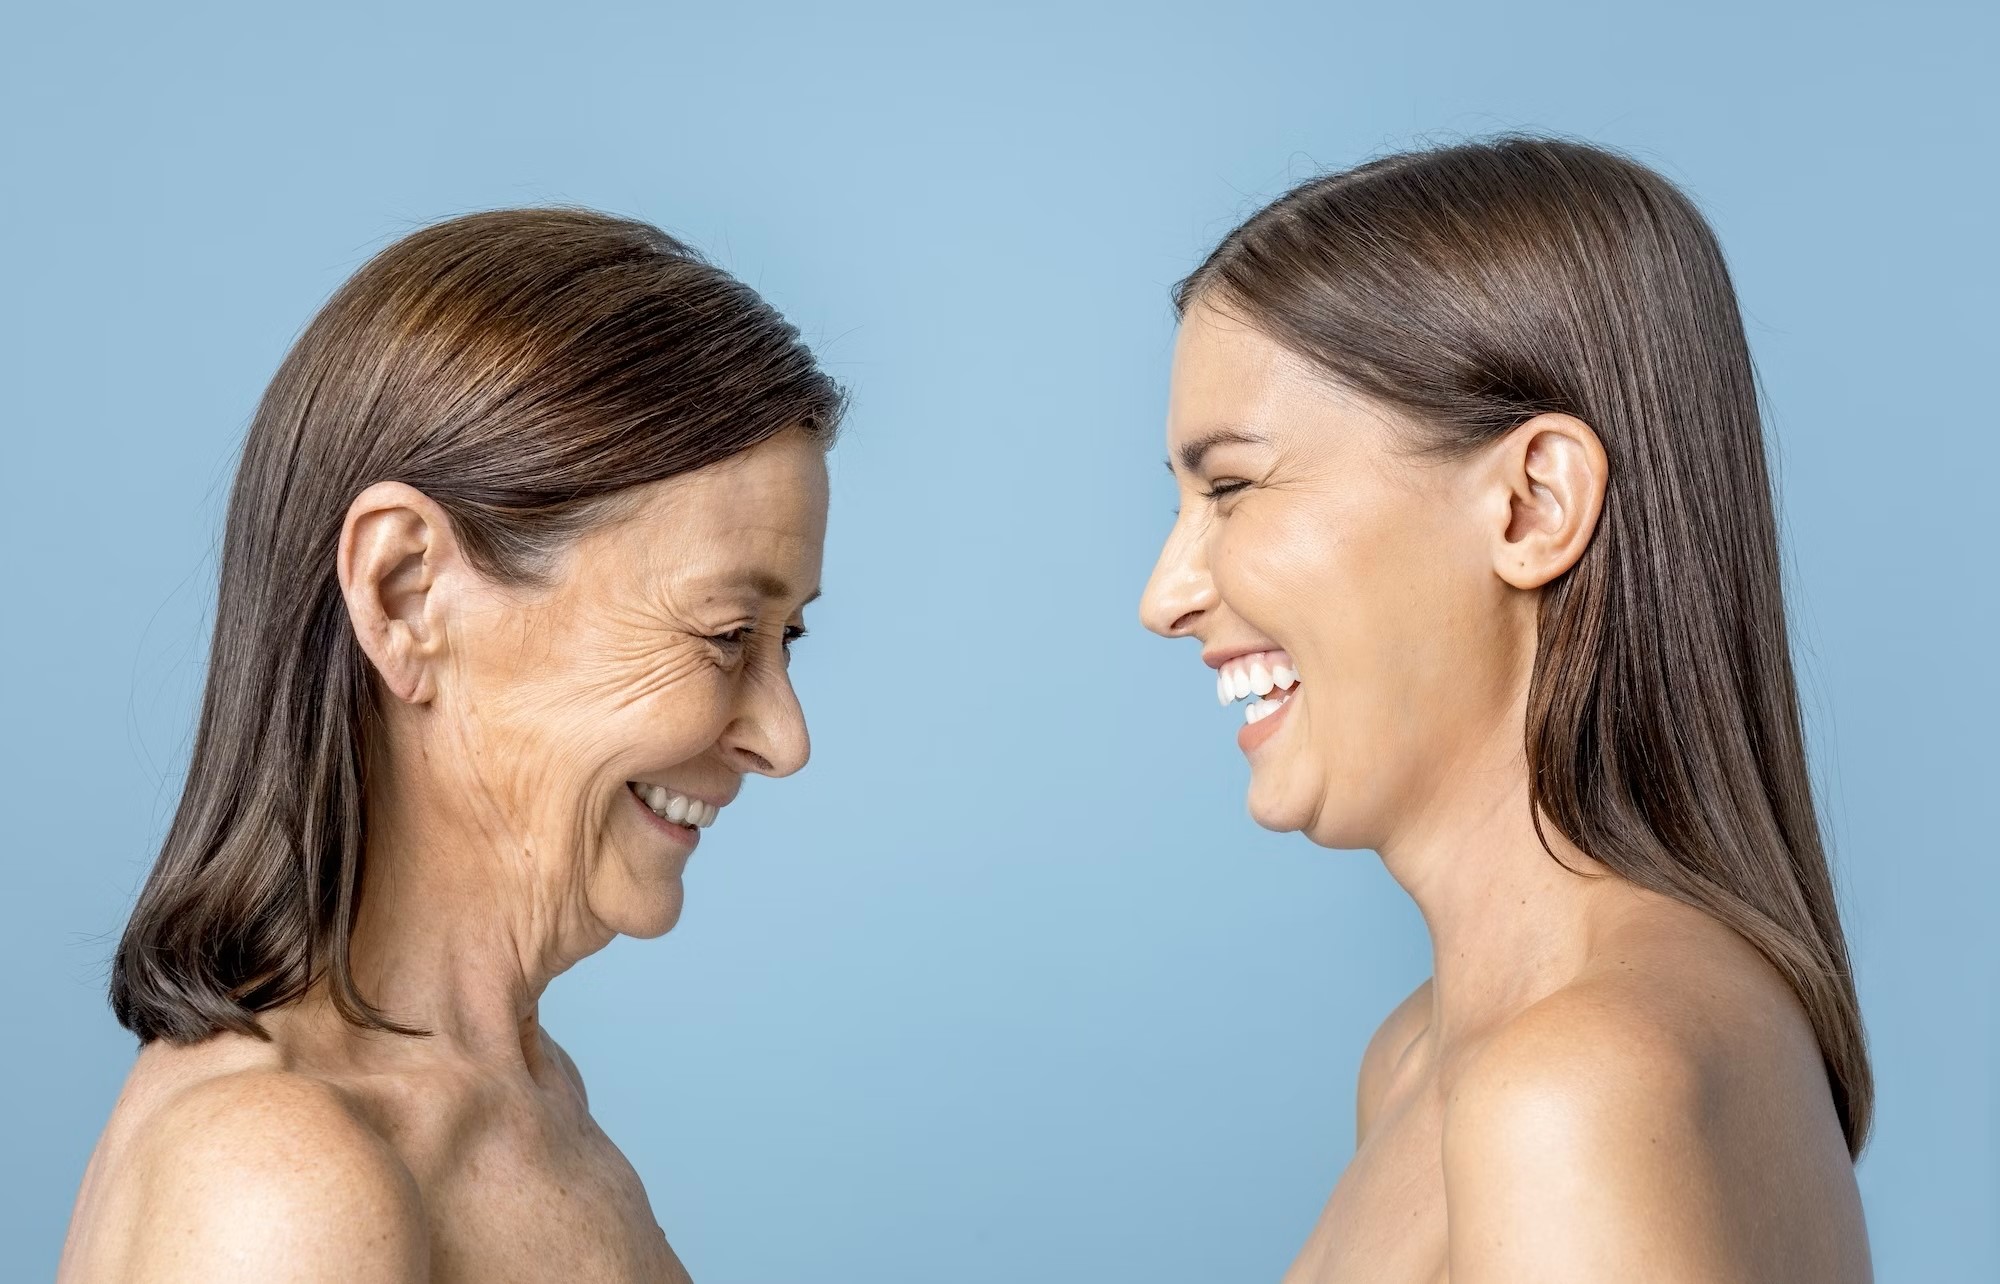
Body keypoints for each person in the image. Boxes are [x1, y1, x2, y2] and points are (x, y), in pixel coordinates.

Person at [58, 208, 843, 1283]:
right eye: (723, 634)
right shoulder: (278, 1182)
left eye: (787, 638)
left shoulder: (533, 1105)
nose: (785, 739)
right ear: (406, 592)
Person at [1140, 137, 1872, 1283]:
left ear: (1532, 505)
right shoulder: (1421, 1059)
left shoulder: (1571, 1087)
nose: (1163, 596)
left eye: (1230, 486)